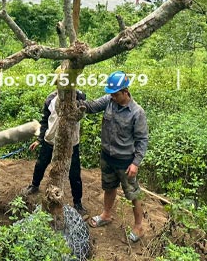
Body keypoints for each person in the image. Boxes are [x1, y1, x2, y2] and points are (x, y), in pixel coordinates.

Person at [84, 70, 148, 242]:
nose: (112, 96)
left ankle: (139, 226)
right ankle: (106, 214)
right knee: (109, 187)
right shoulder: (109, 101)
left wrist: (135, 163)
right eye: (111, 94)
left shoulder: (137, 112)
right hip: (107, 157)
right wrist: (74, 97)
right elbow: (90, 106)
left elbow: (142, 140)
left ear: (125, 92)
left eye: (115, 94)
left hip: (125, 162)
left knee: (133, 194)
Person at [24, 89, 88, 216]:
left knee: (74, 174)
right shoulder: (51, 99)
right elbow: (45, 121)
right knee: (41, 164)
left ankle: (77, 203)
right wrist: (39, 139)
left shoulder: (78, 97)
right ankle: (34, 185)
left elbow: (84, 107)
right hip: (51, 140)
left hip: (71, 143)